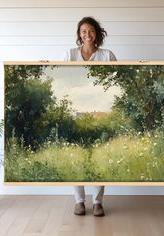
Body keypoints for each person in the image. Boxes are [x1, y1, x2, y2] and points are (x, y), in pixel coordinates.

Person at [63, 16, 117, 217]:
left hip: (100, 109)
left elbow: (116, 80)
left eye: (91, 31)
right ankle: (79, 201)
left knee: (100, 153)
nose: (87, 35)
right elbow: (60, 76)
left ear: (98, 34)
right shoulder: (69, 54)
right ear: (79, 34)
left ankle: (97, 202)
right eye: (84, 31)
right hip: (75, 110)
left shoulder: (107, 55)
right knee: (76, 153)